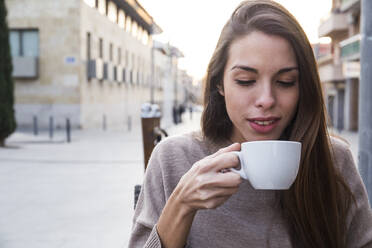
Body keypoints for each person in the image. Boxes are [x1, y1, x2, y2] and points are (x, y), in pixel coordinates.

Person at [129, 0, 372, 247]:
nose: (266, 100)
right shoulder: (174, 159)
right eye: (245, 81)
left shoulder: (333, 159)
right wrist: (181, 205)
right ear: (219, 84)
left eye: (286, 81)